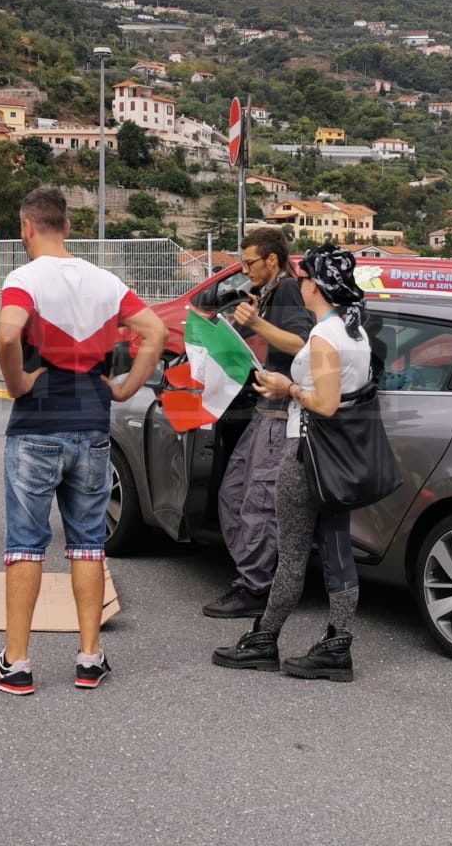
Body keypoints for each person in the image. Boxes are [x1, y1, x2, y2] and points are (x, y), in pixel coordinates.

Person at [0, 187, 166, 695]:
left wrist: (16, 384)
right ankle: (89, 657)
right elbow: (155, 333)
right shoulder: (107, 283)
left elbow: (8, 336)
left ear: (27, 228)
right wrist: (125, 387)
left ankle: (16, 664)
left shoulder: (24, 279)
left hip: (37, 427)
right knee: (87, 545)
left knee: (25, 547)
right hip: (93, 426)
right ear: (69, 226)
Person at [213, 244, 374, 682]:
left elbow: (324, 401)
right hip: (341, 460)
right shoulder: (356, 332)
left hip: (307, 454)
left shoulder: (324, 337)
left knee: (292, 554)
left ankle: (264, 640)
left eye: (304, 278)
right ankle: (338, 643)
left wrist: (287, 388)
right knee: (339, 550)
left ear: (317, 286)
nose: (298, 283)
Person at [200, 226, 313, 618]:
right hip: (266, 413)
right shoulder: (268, 292)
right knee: (233, 495)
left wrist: (259, 324)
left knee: (256, 503)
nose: (244, 269)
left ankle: (257, 589)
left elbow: (303, 343)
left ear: (272, 259)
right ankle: (253, 577)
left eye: (249, 262)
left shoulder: (286, 291)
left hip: (282, 415)